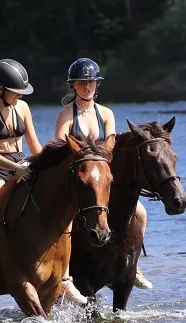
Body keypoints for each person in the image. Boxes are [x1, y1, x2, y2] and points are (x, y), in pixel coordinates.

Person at [0, 58, 88, 305]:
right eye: (15, 92)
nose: (19, 96)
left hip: (25, 163)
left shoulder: (23, 108)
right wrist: (16, 168)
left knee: (62, 209)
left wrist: (42, 163)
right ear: (0, 90)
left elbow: (34, 143)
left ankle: (65, 278)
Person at [54, 57, 153, 291]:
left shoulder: (106, 113)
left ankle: (133, 265)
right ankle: (64, 275)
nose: (87, 87)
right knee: (65, 220)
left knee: (141, 212)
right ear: (73, 85)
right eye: (82, 83)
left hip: (101, 173)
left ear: (97, 85)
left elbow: (110, 144)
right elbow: (60, 146)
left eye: (91, 82)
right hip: (78, 176)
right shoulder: (66, 115)